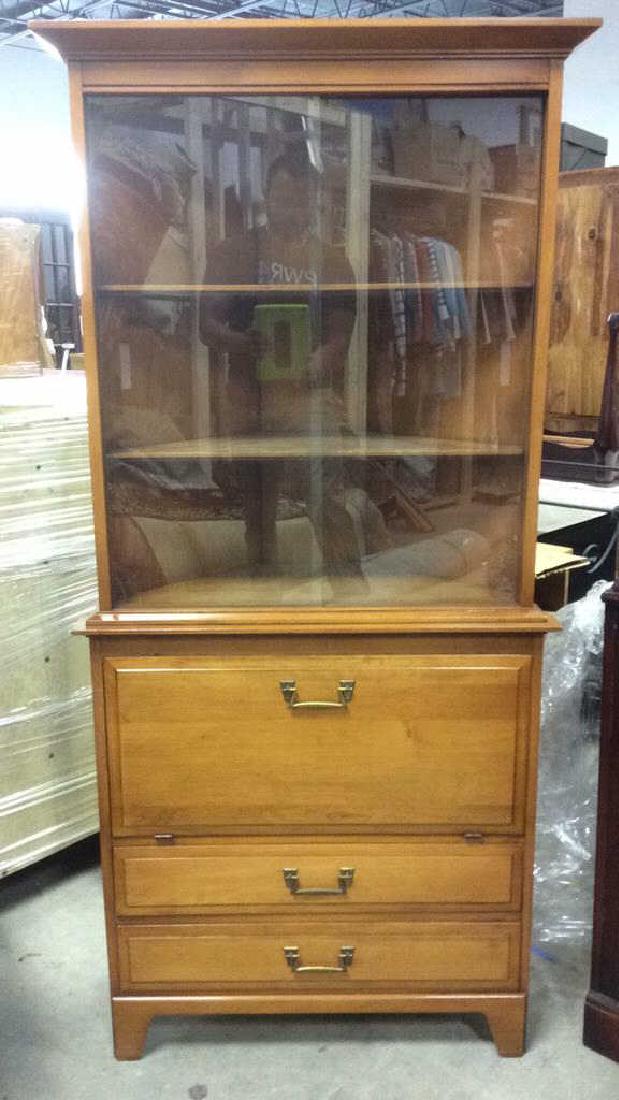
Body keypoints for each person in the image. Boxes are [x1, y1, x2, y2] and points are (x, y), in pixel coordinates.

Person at [200, 147, 364, 590]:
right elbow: (206, 325)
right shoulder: (234, 252)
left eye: (301, 200)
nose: (291, 208)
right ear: (267, 196)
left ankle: (351, 599)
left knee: (325, 498)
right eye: (283, 197)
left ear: (315, 203)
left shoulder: (332, 261)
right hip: (248, 401)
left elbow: (341, 337)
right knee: (257, 511)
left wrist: (321, 359)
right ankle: (264, 600)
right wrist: (243, 342)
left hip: (308, 401)